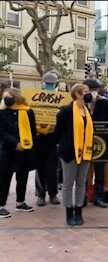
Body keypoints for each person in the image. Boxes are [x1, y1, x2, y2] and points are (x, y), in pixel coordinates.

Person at [55, 84, 94, 226]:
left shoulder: (87, 110)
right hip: (69, 153)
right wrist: (61, 146)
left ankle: (78, 210)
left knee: (81, 183)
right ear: (77, 94)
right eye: (85, 92)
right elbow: (57, 132)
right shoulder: (66, 111)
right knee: (68, 183)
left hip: (85, 152)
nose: (89, 94)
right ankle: (68, 211)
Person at [0, 88, 37, 218]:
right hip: (7, 149)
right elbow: (1, 132)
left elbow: (33, 130)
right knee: (4, 177)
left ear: (17, 97)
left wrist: (27, 143)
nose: (6, 100)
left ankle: (20, 202)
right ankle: (1, 205)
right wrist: (15, 143)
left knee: (23, 176)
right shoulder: (2, 112)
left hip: (24, 150)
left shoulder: (28, 111)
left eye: (9, 97)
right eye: (5, 97)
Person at [83, 79, 108, 208]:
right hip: (84, 143)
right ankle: (83, 196)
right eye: (90, 89)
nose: (93, 92)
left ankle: (98, 197)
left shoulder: (105, 103)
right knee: (84, 172)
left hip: (100, 144)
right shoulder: (79, 104)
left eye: (95, 89)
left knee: (100, 171)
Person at [35, 72, 61, 207]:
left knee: (53, 167)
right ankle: (40, 194)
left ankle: (53, 193)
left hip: (54, 137)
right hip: (39, 136)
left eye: (52, 84)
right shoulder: (36, 98)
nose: (49, 85)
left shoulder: (61, 100)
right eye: (47, 83)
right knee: (40, 167)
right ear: (43, 83)